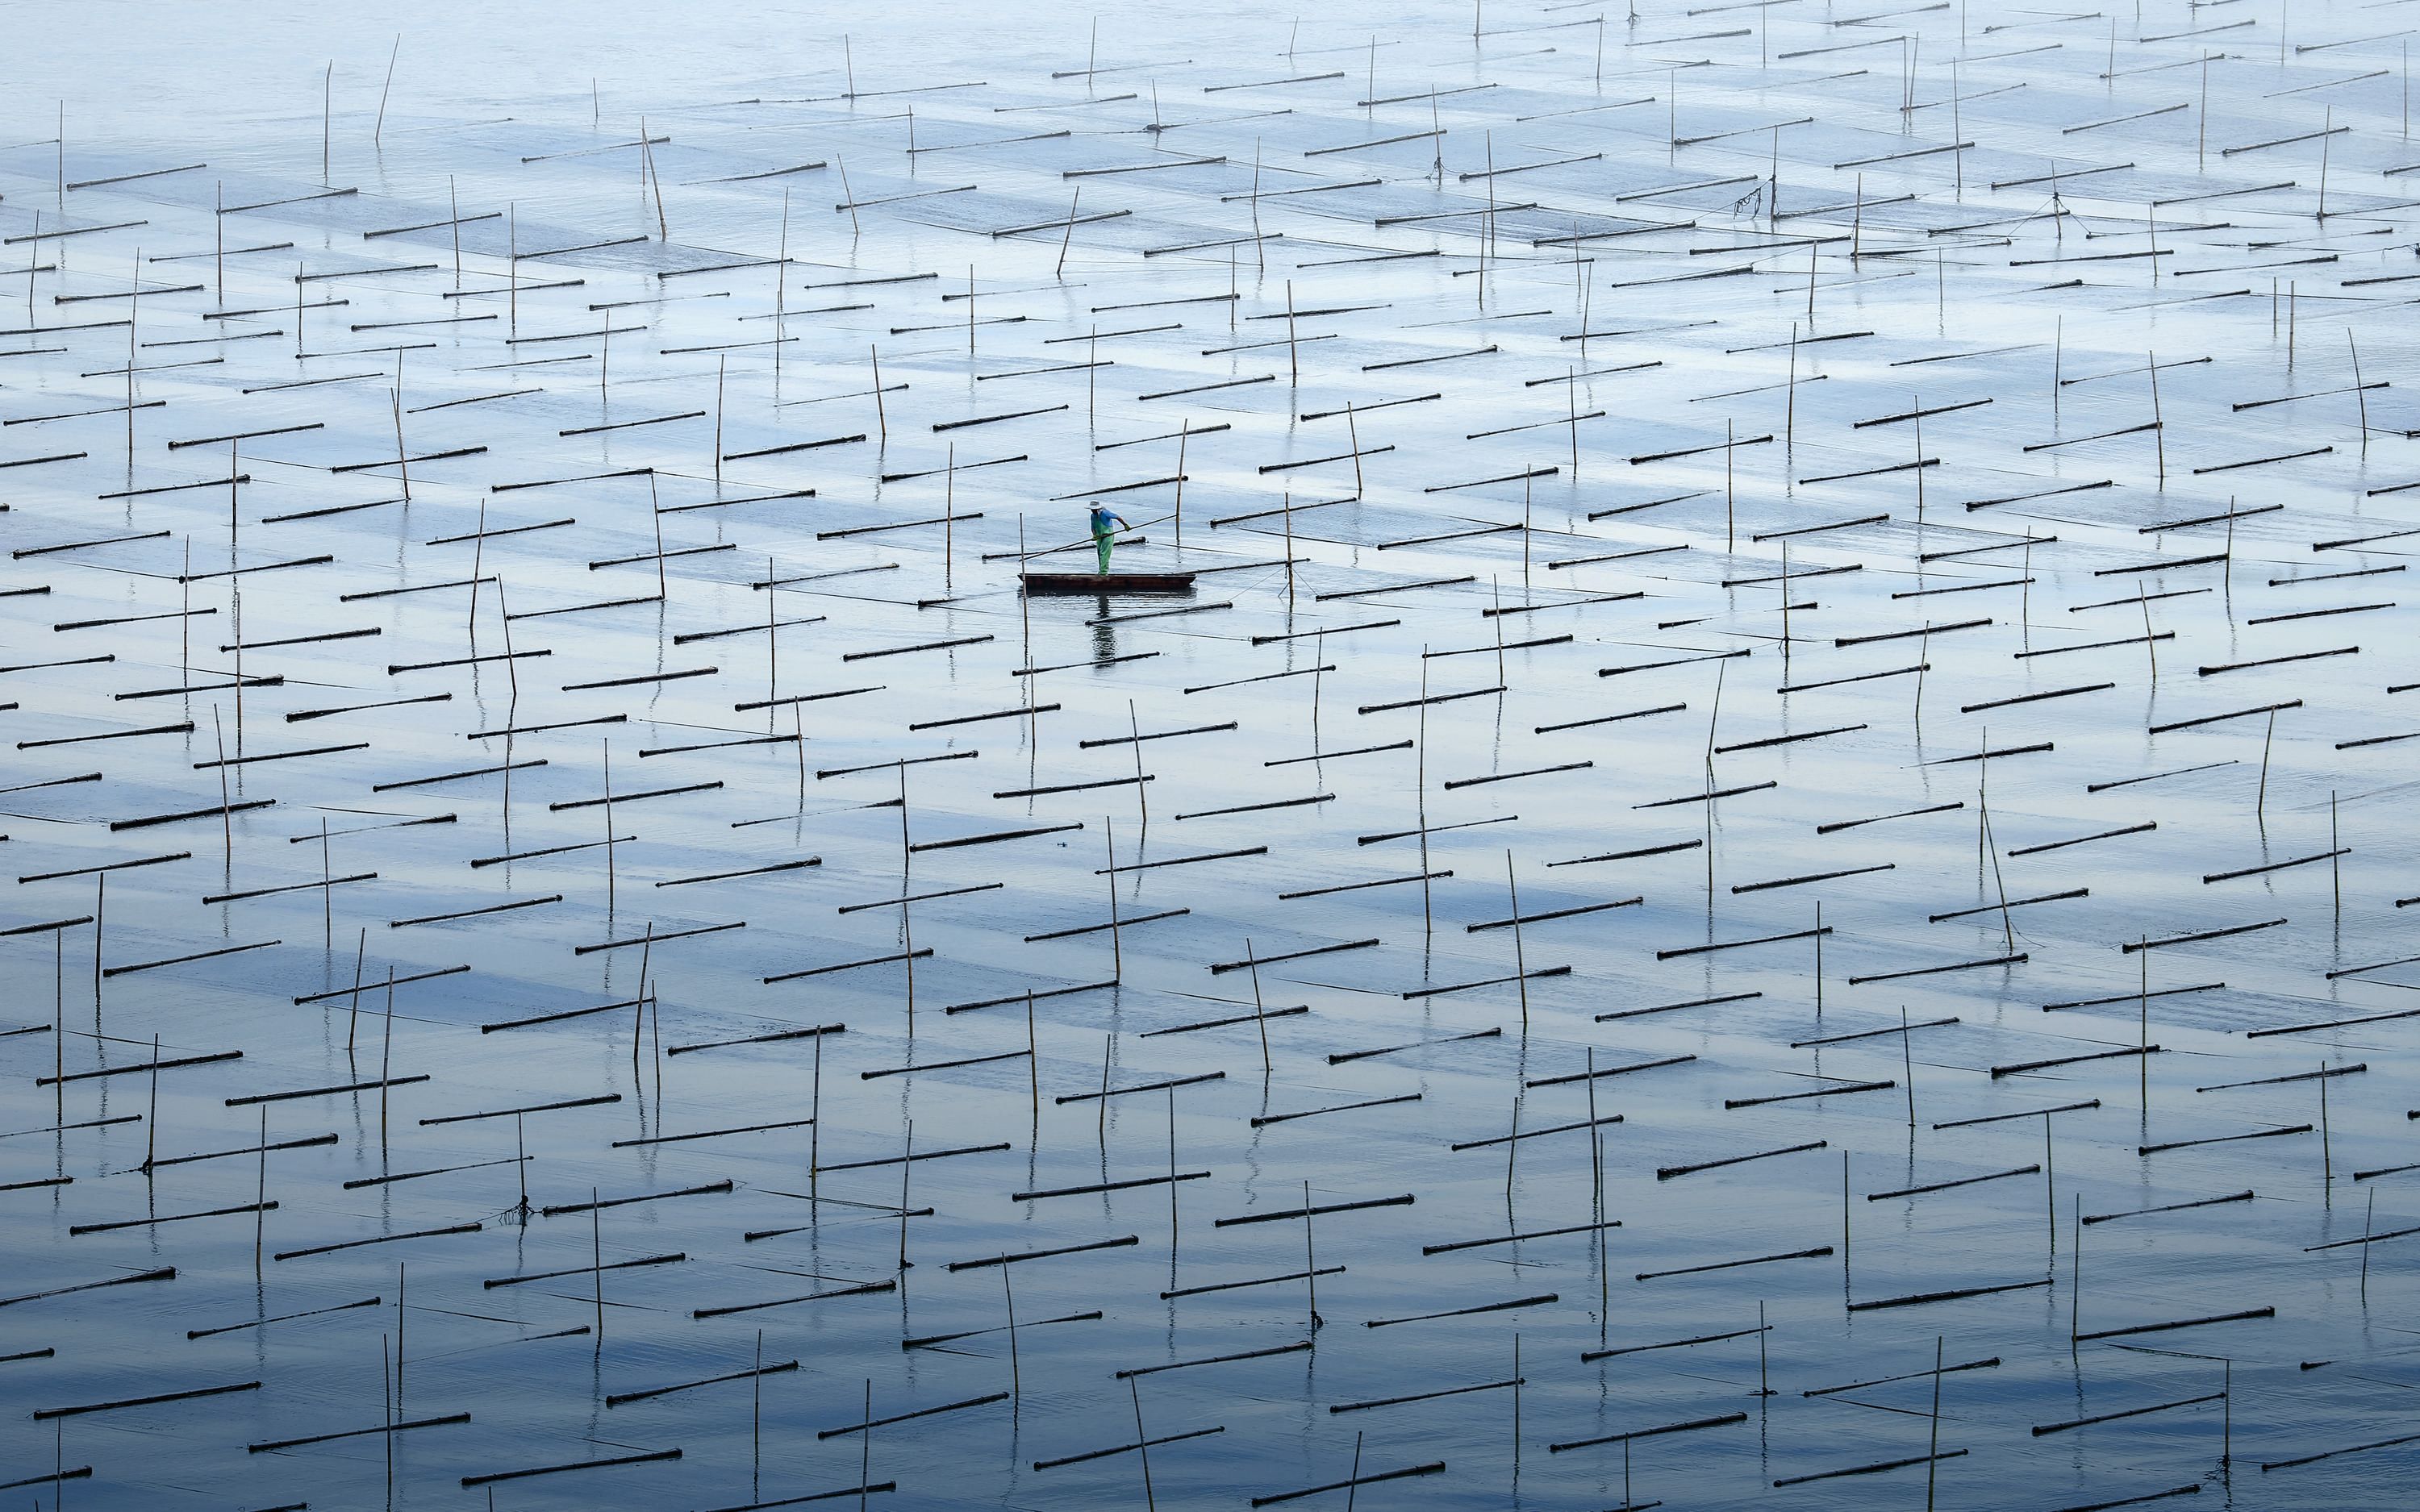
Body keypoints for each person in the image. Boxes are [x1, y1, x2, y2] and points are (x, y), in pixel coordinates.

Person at [1087, 504, 1130, 575]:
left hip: (1108, 536)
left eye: (1094, 509)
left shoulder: (1105, 513)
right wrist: (1094, 535)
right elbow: (1093, 526)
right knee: (1099, 553)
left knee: (1104, 553)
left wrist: (1125, 525)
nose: (1092, 511)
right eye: (1091, 509)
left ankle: (1103, 573)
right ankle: (1101, 571)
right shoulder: (1092, 516)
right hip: (1099, 536)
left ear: (1097, 509)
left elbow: (1117, 517)